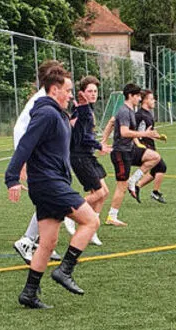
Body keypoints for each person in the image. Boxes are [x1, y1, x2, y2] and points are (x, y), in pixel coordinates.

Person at [5, 65, 101, 309]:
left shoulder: (58, 113)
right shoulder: (46, 114)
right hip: (48, 183)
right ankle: (65, 270)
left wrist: (81, 108)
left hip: (51, 182)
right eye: (68, 90)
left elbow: (75, 137)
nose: (71, 94)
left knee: (47, 242)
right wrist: (12, 178)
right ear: (55, 90)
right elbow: (25, 144)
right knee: (91, 221)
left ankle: (29, 293)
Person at [12, 60, 67, 264]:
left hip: (43, 155)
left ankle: (42, 242)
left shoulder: (48, 99)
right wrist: (22, 162)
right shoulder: (41, 101)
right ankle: (27, 240)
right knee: (51, 197)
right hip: (36, 155)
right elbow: (20, 131)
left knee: (52, 198)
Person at [100, 83, 162, 224]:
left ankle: (133, 181)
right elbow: (124, 132)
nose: (140, 99)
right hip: (121, 153)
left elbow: (113, 124)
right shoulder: (124, 111)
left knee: (155, 157)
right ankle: (112, 217)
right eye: (138, 96)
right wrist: (144, 133)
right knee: (121, 187)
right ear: (130, 96)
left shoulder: (130, 111)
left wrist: (140, 142)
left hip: (130, 150)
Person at [64, 75, 111, 243]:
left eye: (95, 91)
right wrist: (100, 146)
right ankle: (71, 214)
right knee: (98, 192)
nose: (93, 94)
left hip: (87, 155)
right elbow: (82, 138)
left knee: (103, 193)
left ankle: (91, 229)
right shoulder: (82, 112)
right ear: (81, 93)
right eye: (89, 91)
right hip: (79, 156)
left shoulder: (87, 110)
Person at [133, 89, 168, 203]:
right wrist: (138, 144)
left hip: (150, 145)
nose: (154, 101)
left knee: (158, 168)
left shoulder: (148, 114)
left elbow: (149, 131)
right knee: (161, 166)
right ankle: (153, 191)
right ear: (145, 100)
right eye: (152, 99)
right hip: (144, 147)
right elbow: (133, 132)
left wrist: (159, 137)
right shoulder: (139, 115)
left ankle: (138, 186)